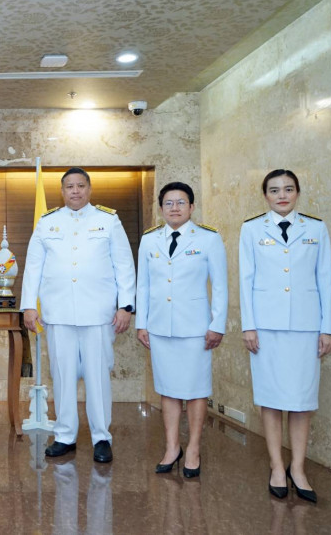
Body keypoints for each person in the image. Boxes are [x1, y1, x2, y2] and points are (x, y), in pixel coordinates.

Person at [21, 167, 136, 462]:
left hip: (98, 312)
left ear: (89, 189)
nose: (75, 191)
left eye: (80, 186)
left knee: (98, 375)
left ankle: (101, 437)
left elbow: (124, 265)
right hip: (58, 312)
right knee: (62, 374)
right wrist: (29, 305)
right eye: (69, 186)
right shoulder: (48, 223)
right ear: (62, 191)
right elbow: (33, 266)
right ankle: (65, 435)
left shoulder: (108, 221)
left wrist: (125, 306)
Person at [239, 169, 331, 503]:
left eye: (288, 189)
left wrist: (327, 328)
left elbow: (325, 279)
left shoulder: (316, 228)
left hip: (306, 328)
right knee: (271, 397)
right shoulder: (251, 229)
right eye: (275, 190)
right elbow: (246, 279)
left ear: (297, 193)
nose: (282, 195)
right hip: (265, 328)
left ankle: (298, 468)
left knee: (302, 401)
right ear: (265, 195)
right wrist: (248, 325)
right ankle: (277, 466)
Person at [136, 182, 227, 478]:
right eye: (169, 203)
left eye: (181, 202)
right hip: (161, 326)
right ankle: (172, 447)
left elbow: (221, 286)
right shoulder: (150, 240)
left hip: (196, 329)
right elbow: (143, 286)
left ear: (191, 206)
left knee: (197, 390)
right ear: (161, 208)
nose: (175, 208)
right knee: (168, 389)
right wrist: (142, 323)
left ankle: (194, 449)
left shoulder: (209, 239)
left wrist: (217, 324)